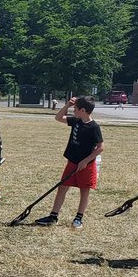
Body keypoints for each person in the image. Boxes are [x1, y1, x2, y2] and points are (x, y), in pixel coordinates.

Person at [35, 96, 104, 229]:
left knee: (84, 192)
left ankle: (79, 218)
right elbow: (58, 118)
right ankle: (53, 216)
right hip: (72, 162)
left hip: (86, 166)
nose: (74, 111)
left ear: (83, 110)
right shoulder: (76, 121)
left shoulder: (94, 127)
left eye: (75, 109)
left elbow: (100, 147)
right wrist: (67, 106)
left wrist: (85, 161)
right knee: (62, 188)